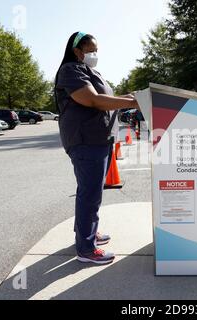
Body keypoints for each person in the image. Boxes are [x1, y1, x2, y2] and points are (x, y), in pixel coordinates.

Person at [54, 32, 139, 265]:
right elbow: (92, 100)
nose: (94, 55)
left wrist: (129, 97)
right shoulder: (70, 71)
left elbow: (106, 99)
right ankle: (86, 249)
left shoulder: (89, 71)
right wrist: (132, 101)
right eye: (90, 50)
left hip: (99, 140)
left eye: (96, 51)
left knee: (91, 192)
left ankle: (86, 234)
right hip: (86, 141)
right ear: (77, 51)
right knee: (90, 194)